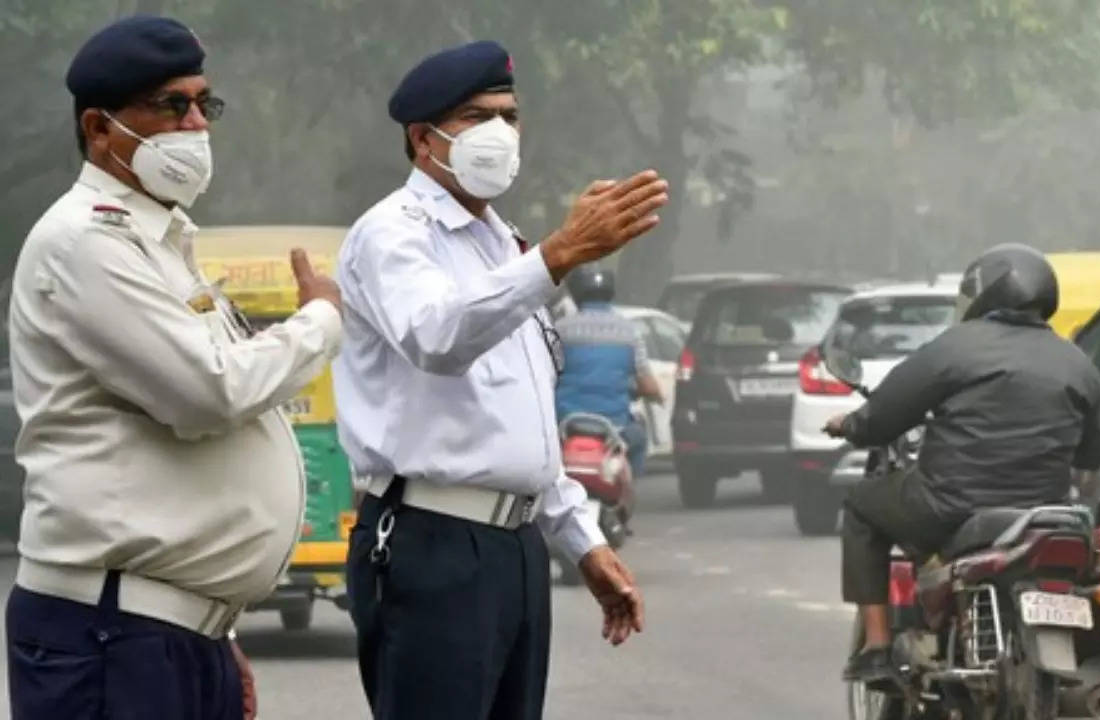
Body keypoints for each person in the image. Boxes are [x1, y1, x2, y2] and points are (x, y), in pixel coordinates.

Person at [5, 15, 343, 720]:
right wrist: (319, 321)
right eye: (171, 105)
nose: (195, 124)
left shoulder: (157, 242)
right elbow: (211, 392)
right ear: (100, 130)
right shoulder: (84, 243)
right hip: (111, 631)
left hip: (165, 627)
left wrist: (211, 623)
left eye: (203, 104)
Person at [335, 40, 667, 719]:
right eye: (474, 115)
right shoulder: (394, 234)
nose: (499, 133)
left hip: (514, 547)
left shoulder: (500, 243)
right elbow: (436, 336)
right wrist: (560, 253)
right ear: (422, 138)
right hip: (432, 540)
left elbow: (522, 427)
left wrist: (583, 540)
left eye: (509, 116)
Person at [822, 243, 1100, 684]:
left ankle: (878, 647)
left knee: (863, 505)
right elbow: (1098, 450)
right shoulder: (1077, 361)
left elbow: (885, 415)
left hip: (947, 505)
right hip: (1043, 514)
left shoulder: (955, 347)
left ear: (985, 293)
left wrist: (851, 425)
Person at [556, 264, 665, 479]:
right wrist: (655, 396)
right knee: (639, 437)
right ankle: (625, 495)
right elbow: (648, 386)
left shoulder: (559, 329)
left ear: (576, 293)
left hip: (564, 425)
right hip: (615, 427)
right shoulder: (629, 332)